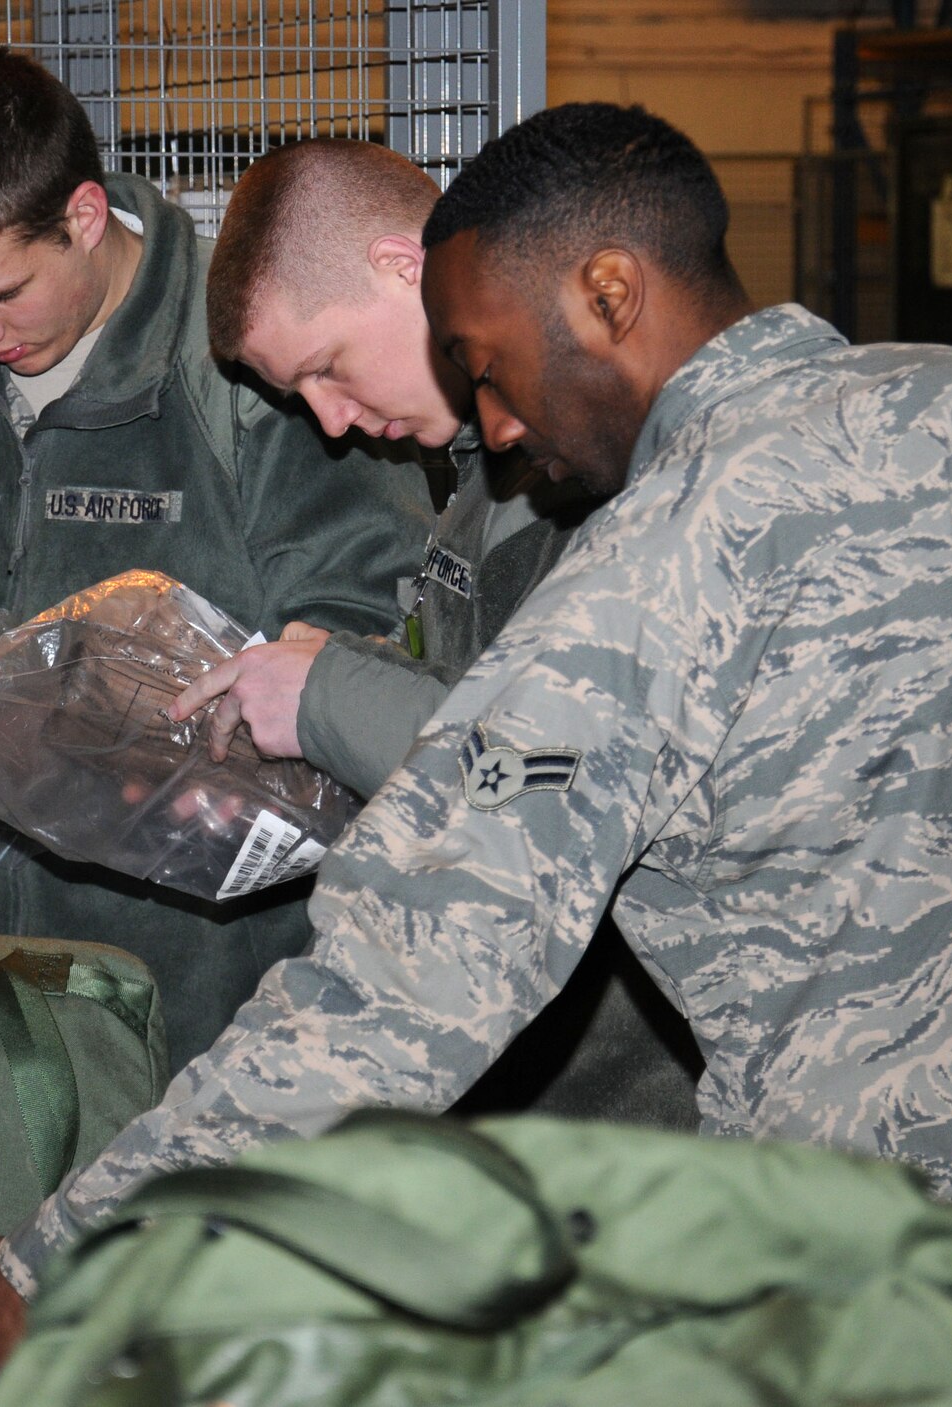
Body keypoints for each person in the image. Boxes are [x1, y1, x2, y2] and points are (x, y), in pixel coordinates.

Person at [0, 104, 952, 1403]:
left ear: (608, 292)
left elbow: (398, 992)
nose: (496, 425)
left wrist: (70, 1252)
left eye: (491, 366)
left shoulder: (641, 579)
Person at [0, 44, 432, 1072]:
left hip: (213, 998)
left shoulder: (254, 363)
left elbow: (370, 655)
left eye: (2, 295)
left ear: (85, 217)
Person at [178, 136, 702, 1124]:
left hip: (641, 1112)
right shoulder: (485, 479)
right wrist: (341, 665)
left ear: (400, 267)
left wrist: (327, 695)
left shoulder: (599, 458)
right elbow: (480, 681)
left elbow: (563, 765)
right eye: (301, 397)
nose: (331, 422)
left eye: (329, 369)